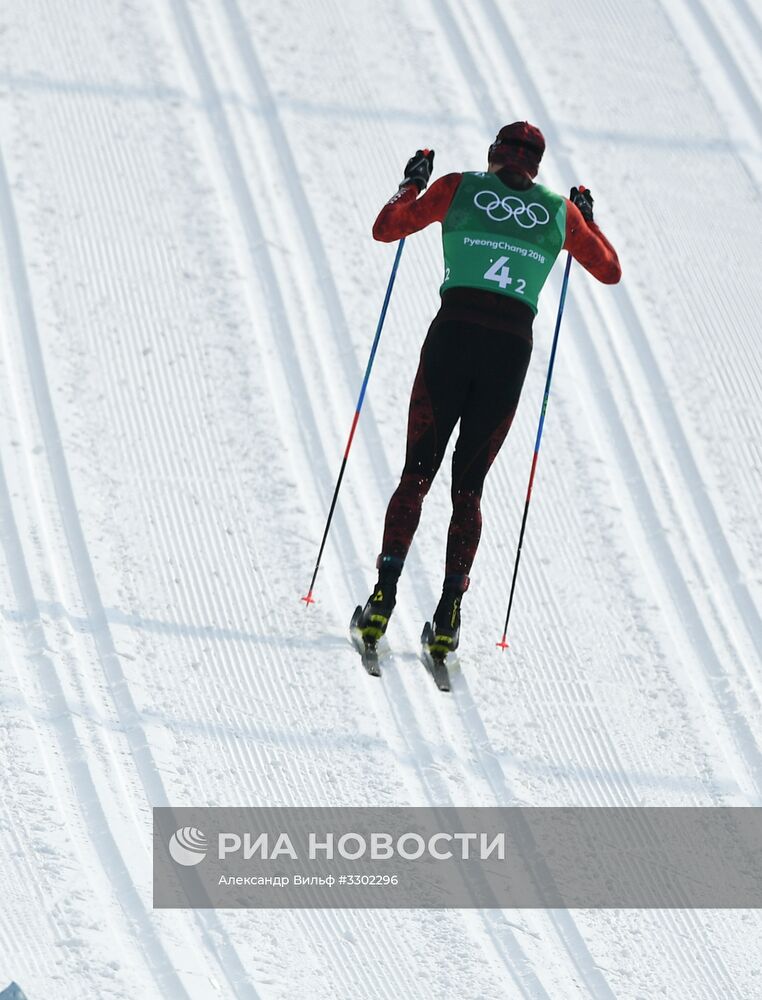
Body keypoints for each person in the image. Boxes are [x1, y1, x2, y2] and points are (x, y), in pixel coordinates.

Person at [355, 121, 621, 656]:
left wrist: (412, 183)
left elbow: (386, 228)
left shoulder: (458, 187)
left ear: (494, 153)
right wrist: (589, 221)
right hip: (509, 352)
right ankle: (450, 615)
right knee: (468, 489)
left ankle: (382, 599)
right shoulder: (558, 213)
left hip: (452, 336)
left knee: (417, 475)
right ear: (538, 167)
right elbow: (609, 270)